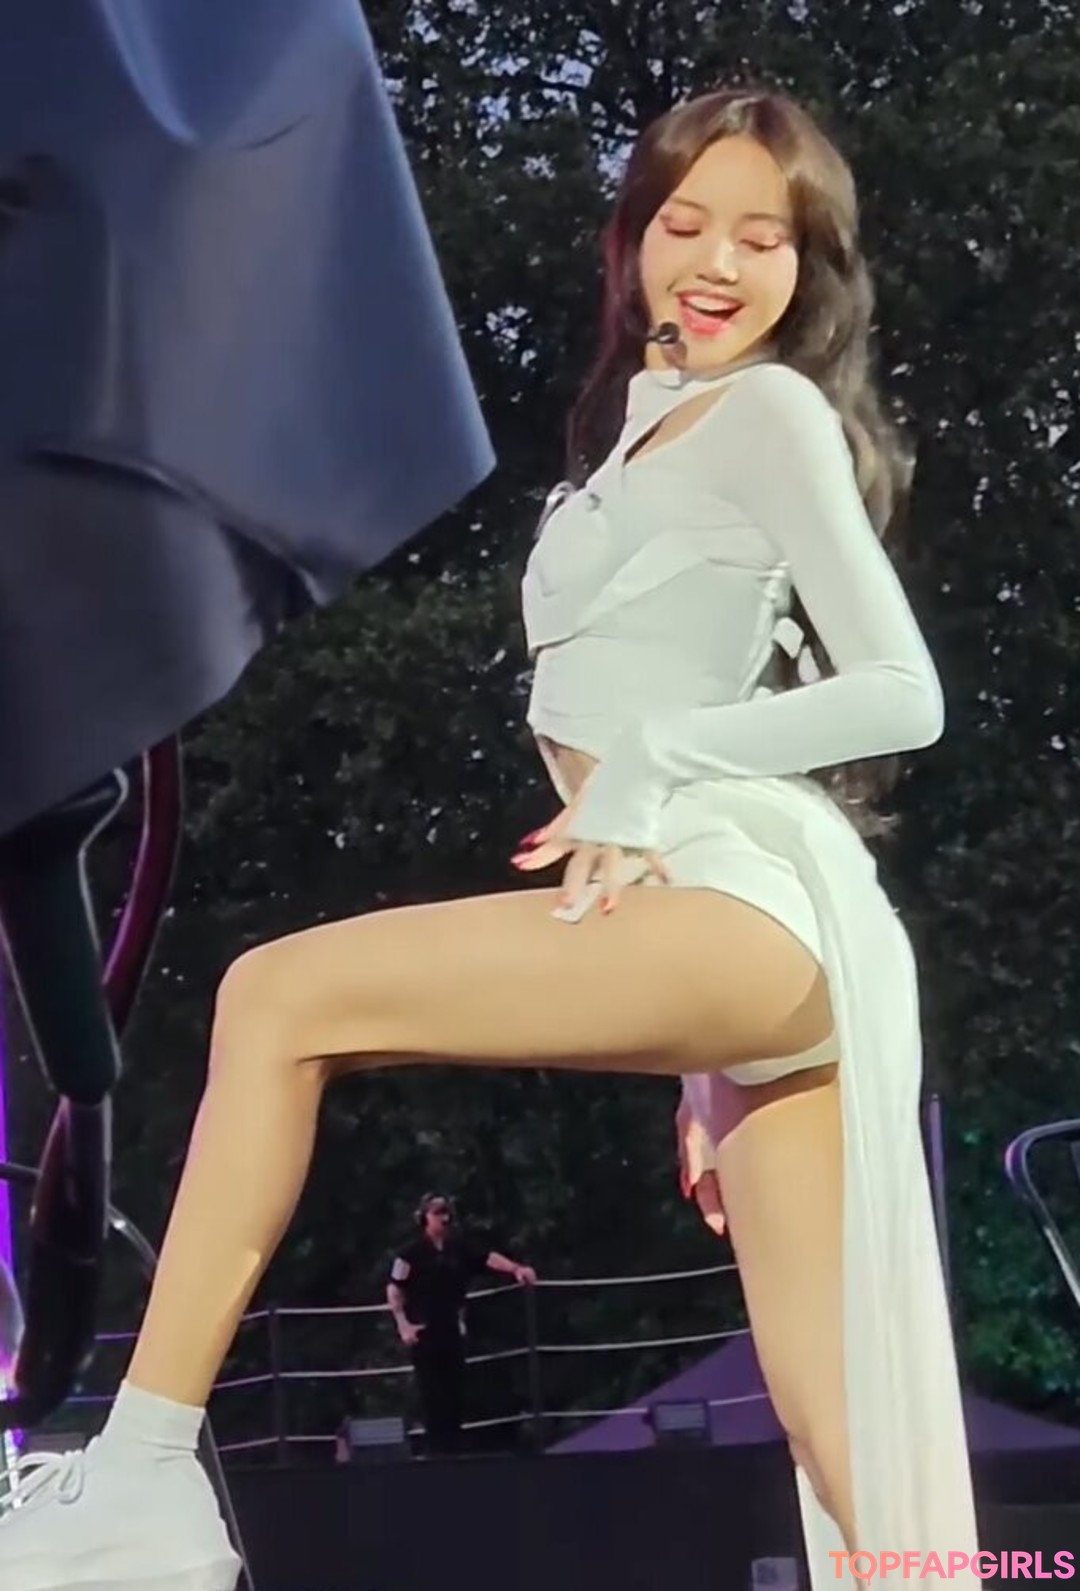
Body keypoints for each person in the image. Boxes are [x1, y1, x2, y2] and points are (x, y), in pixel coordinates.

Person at [0, 83, 980, 1590]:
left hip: (760, 892)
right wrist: (700, 1052)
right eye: (686, 224)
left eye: (764, 236)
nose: (718, 263)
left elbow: (903, 693)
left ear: (810, 265)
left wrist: (655, 759)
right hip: (720, 930)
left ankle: (140, 1477)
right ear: (633, 239)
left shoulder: (772, 415)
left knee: (276, 994)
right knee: (831, 1409)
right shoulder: (642, 435)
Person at [386, 1193, 536, 1454]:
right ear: (424, 1218)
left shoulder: (458, 1247)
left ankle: (454, 1451)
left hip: (452, 1327)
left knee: (454, 1391)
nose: (444, 1218)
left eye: (446, 1212)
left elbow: (486, 1258)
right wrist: (403, 1324)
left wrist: (516, 1269)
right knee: (431, 1394)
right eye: (437, 1213)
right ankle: (436, 1453)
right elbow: (394, 1287)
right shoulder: (410, 1253)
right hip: (424, 1330)